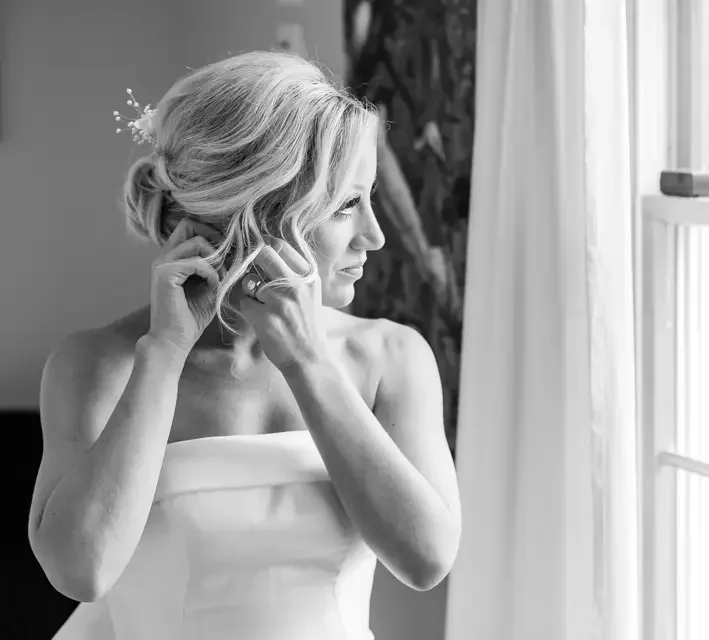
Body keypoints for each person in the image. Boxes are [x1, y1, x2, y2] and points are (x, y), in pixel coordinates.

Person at [27, 51, 462, 640]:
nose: (376, 236)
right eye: (346, 206)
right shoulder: (96, 366)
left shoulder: (390, 360)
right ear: (260, 215)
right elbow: (82, 571)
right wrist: (164, 354)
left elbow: (426, 559)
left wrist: (308, 363)